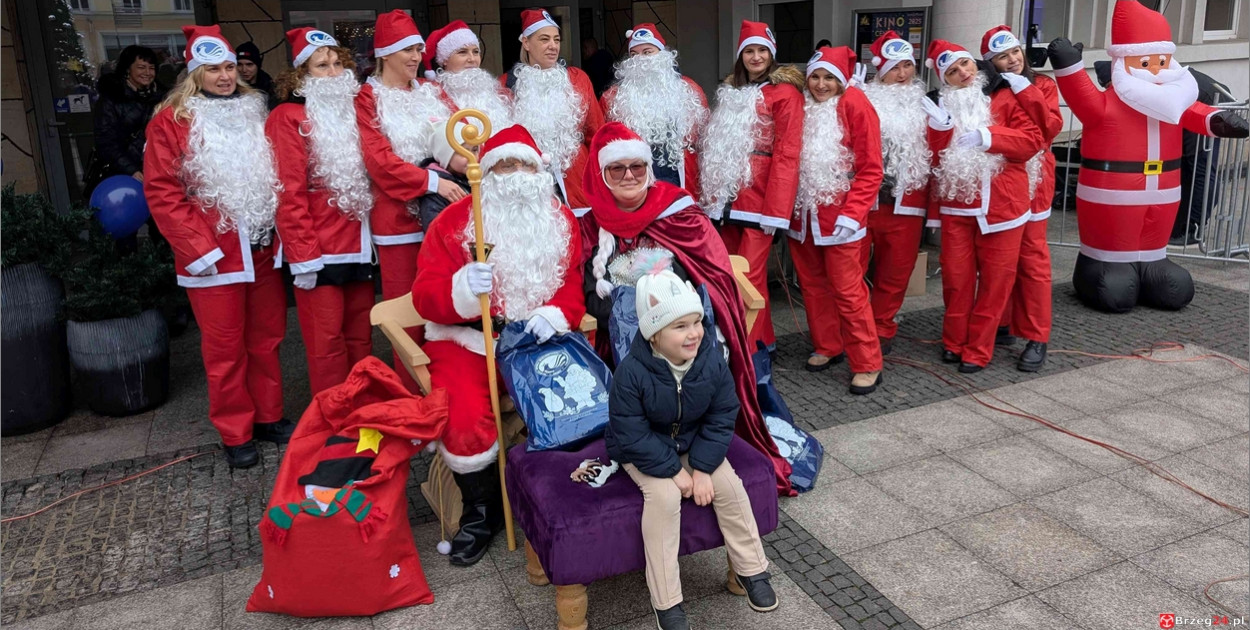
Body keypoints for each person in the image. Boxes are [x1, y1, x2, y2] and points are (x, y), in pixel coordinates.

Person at [583, 122, 794, 496]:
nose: (629, 175)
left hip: (683, 333)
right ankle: (645, 442)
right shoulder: (589, 225)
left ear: (649, 170)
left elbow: (711, 273)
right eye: (617, 168)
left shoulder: (678, 211)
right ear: (602, 175)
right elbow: (586, 290)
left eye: (637, 167)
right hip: (617, 347)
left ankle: (686, 435)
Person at [411, 125, 585, 566]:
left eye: (524, 164)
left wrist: (558, 312)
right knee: (464, 412)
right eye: (503, 165)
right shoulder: (454, 221)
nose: (514, 174)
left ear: (539, 170)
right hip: (469, 339)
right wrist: (461, 290)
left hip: (534, 336)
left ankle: (565, 494)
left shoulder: (559, 219)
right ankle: (480, 512)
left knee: (575, 402)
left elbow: (572, 282)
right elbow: (424, 295)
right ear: (486, 172)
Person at [144, 25, 291, 468]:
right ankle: (235, 432)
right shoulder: (171, 120)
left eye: (229, 67)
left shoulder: (255, 108)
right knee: (224, 350)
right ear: (195, 74)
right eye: (213, 69)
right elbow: (162, 192)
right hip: (214, 256)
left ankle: (268, 416)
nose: (225, 76)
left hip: (261, 247)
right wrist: (198, 247)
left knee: (266, 340)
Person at [1046, 0, 1248, 313]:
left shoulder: (1175, 100)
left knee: (1160, 254)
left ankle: (1153, 262)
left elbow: (1197, 114)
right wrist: (1069, 67)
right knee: (1115, 281)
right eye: (1144, 63)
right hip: (1113, 192)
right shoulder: (1110, 104)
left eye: (1161, 61)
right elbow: (1084, 100)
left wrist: (1221, 121)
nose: (1155, 70)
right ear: (1123, 63)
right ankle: (1101, 265)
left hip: (1164, 189)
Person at [607, 269, 777, 630]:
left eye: (696, 321)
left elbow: (721, 415)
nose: (694, 333)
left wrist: (701, 469)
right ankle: (667, 601)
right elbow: (631, 432)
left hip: (694, 438)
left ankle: (753, 569)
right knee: (665, 498)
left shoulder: (711, 360)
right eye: (680, 326)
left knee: (728, 486)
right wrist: (676, 473)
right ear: (654, 334)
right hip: (644, 448)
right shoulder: (631, 373)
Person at [355, 10, 463, 390]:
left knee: (448, 308)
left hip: (447, 215)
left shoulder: (434, 91)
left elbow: (460, 135)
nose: (416, 56)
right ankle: (412, 401)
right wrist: (433, 182)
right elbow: (378, 161)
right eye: (406, 50)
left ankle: (447, 393)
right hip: (399, 222)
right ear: (385, 54)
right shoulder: (367, 98)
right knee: (409, 315)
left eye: (418, 48)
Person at [923, 40, 1043, 373]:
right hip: (957, 206)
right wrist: (939, 130)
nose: (963, 73)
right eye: (952, 71)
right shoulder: (937, 105)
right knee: (956, 281)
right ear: (943, 77)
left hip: (1002, 206)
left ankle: (977, 350)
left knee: (995, 284)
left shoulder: (1005, 96)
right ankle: (954, 342)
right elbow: (932, 160)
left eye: (965, 64)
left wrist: (988, 137)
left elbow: (1032, 141)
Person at [266, 28, 375, 395]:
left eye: (337, 63)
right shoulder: (287, 117)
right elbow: (287, 191)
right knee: (325, 342)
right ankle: (332, 415)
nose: (332, 72)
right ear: (302, 75)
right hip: (319, 248)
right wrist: (303, 255)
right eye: (321, 65)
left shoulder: (355, 111)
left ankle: (361, 406)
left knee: (361, 335)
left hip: (359, 242)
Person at [699, 20, 803, 352]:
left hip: (760, 202)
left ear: (771, 54)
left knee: (749, 278)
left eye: (761, 51)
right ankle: (762, 341)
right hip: (727, 201)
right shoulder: (730, 92)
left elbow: (788, 153)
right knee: (730, 274)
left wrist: (776, 210)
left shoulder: (785, 94)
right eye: (749, 51)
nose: (755, 57)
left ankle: (749, 350)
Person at [786, 46, 884, 393]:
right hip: (804, 214)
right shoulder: (801, 105)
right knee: (812, 286)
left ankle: (868, 362)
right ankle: (829, 345)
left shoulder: (854, 103)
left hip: (841, 216)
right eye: (816, 76)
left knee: (848, 291)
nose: (822, 84)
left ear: (842, 80)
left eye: (829, 77)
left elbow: (872, 167)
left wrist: (853, 212)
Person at [982, 25, 1063, 372]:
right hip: (1000, 182)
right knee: (999, 257)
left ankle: (1036, 336)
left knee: (1032, 260)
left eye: (1015, 51)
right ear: (992, 62)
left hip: (1035, 181)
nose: (1013, 59)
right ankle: (1002, 322)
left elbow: (1051, 128)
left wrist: (1026, 90)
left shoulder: (1043, 85)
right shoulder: (988, 90)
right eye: (1003, 56)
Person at [859, 31, 933, 357]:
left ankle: (882, 328)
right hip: (865, 204)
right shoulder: (861, 99)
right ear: (879, 70)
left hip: (908, 203)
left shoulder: (927, 105)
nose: (902, 74)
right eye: (894, 67)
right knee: (851, 271)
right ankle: (856, 328)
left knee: (896, 272)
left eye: (907, 66)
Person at [501, 9, 605, 222]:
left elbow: (597, 133)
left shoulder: (578, 79)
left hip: (577, 185)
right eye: (544, 39)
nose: (553, 46)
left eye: (556, 39)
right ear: (526, 43)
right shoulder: (506, 85)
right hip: (529, 189)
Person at [599, 23, 708, 195]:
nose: (641, 61)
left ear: (662, 55)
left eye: (647, 52)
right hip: (635, 184)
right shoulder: (612, 98)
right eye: (634, 54)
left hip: (680, 182)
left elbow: (703, 143)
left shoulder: (690, 90)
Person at [92, 45, 165, 187]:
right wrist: (131, 170)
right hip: (124, 174)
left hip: (159, 170)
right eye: (141, 67)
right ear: (127, 69)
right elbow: (106, 141)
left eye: (151, 68)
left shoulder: (165, 97)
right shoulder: (112, 98)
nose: (147, 72)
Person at [423, 20, 513, 129]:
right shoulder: (432, 96)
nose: (472, 59)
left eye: (475, 52)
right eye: (462, 52)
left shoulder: (494, 93)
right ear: (445, 60)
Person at [418, 118, 475, 229]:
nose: (472, 157)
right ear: (446, 156)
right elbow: (436, 231)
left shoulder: (474, 180)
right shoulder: (437, 194)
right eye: (463, 152)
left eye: (475, 149)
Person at [236, 41, 278, 109]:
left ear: (258, 66)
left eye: (249, 65)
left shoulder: (270, 88)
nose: (244, 70)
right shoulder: (230, 88)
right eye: (239, 65)